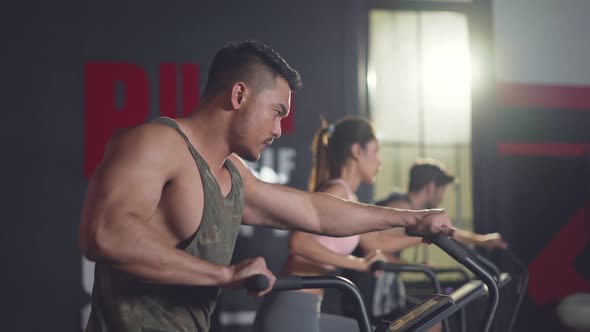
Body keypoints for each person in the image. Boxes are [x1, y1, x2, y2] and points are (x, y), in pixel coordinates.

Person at [78, 41, 454, 332]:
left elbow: (314, 211)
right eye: (277, 112)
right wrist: (224, 275)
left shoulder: (233, 175)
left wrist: (412, 219)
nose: (278, 130)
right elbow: (105, 234)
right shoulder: (156, 142)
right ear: (239, 95)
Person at [254, 117, 390, 332]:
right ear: (357, 151)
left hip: (307, 307)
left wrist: (432, 233)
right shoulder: (335, 193)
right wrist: (358, 264)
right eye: (376, 151)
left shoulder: (348, 196)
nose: (379, 162)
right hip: (293, 307)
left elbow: (376, 240)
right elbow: (298, 243)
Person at [352, 158, 507, 324]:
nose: (442, 197)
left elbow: (449, 231)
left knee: (434, 322)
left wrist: (483, 241)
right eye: (442, 190)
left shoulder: (407, 206)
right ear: (431, 187)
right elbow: (375, 248)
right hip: (371, 295)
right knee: (433, 324)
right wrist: (416, 260)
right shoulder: (403, 206)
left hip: (383, 292)